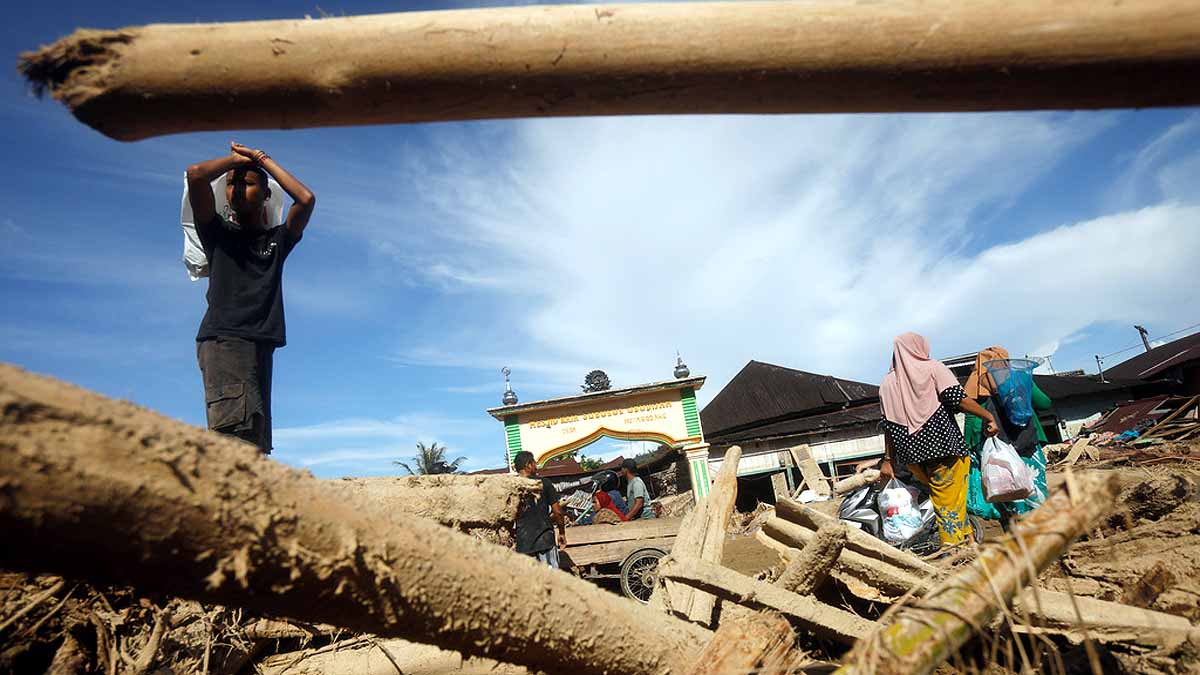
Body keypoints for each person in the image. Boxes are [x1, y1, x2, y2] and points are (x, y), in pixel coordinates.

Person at [186, 142, 315, 454]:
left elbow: (306, 199)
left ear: (267, 194)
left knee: (255, 440)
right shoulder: (217, 233)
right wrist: (235, 160)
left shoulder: (276, 241)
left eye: (248, 183)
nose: (238, 189)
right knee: (235, 438)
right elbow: (196, 175)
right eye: (232, 184)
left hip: (259, 343)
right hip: (226, 340)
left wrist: (261, 160)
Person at [878, 333, 999, 549]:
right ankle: (952, 553)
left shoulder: (886, 383)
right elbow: (958, 400)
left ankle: (970, 542)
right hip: (944, 451)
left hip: (913, 458)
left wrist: (888, 459)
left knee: (949, 499)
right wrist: (988, 416)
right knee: (947, 505)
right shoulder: (933, 368)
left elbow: (887, 425)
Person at [963, 346, 1052, 527]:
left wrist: (972, 447)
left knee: (1005, 492)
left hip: (995, 451)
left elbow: (970, 426)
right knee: (1033, 490)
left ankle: (1016, 534)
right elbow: (1044, 403)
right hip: (1026, 444)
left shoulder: (972, 389)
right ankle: (1042, 532)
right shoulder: (1019, 379)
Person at [513, 451, 567, 567]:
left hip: (523, 544)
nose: (536, 466)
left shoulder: (512, 488)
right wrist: (562, 532)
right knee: (551, 576)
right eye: (534, 463)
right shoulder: (544, 483)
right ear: (528, 465)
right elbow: (557, 512)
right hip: (545, 541)